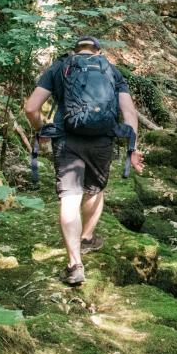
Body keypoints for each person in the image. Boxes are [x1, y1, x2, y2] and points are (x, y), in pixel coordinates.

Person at [22, 36, 145, 288]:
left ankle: (75, 264)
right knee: (95, 190)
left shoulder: (59, 68)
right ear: (98, 51)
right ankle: (87, 237)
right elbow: (129, 112)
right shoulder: (111, 70)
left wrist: (41, 129)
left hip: (67, 140)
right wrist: (133, 147)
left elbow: (31, 107)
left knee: (69, 198)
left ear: (75, 51)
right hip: (102, 141)